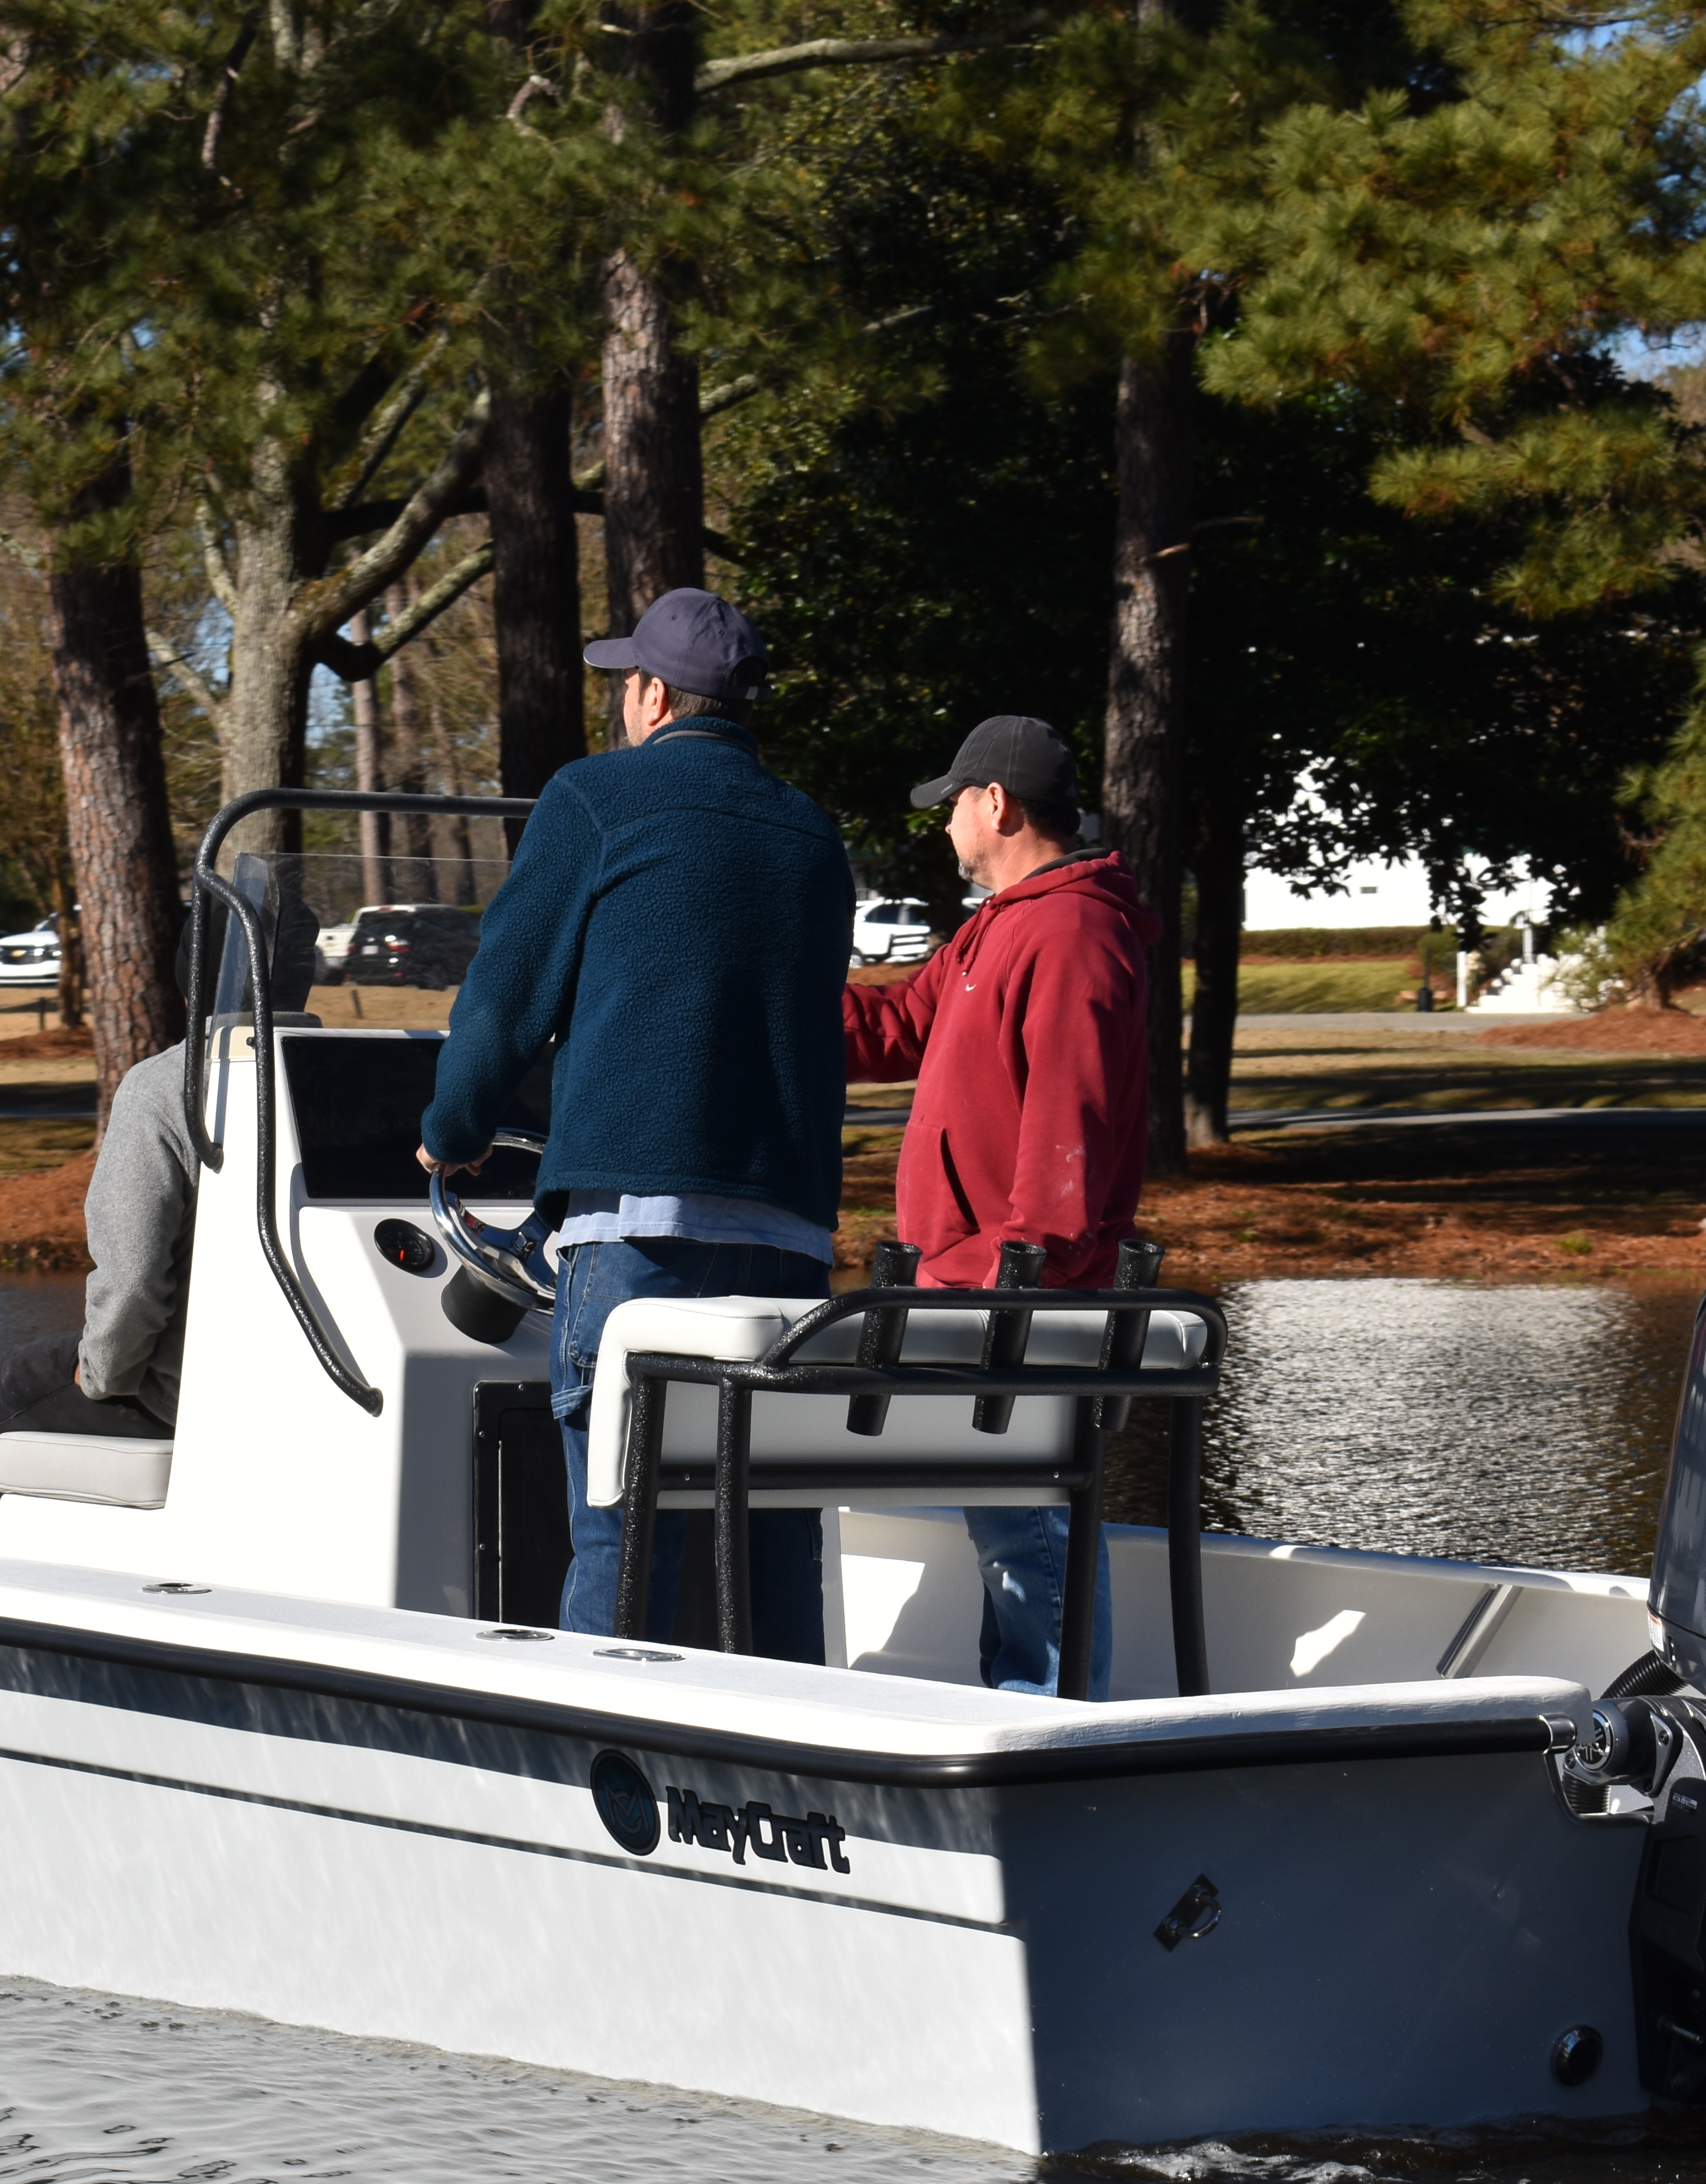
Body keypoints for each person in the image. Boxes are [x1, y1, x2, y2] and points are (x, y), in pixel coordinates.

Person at [419, 587, 852, 1660]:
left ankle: (604, 1743)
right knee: (774, 1534)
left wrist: (453, 1130)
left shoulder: (596, 798)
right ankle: (796, 1733)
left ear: (654, 696)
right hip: (788, 1236)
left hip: (636, 1228)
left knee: (625, 1537)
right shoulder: (813, 833)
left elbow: (505, 1000)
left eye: (626, 684)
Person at [841, 714, 1158, 1693]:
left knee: (1032, 1528)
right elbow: (897, 1028)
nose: (944, 824)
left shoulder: (1071, 932)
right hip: (987, 1293)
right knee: (1014, 1526)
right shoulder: (999, 926)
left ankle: (1053, 1732)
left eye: (953, 804)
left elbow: (1070, 1140)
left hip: (1024, 1301)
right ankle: (1032, 1717)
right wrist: (765, 992)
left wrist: (998, 1276)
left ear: (996, 803)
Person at [0, 903, 316, 1552]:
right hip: (311, 1391)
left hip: (188, 1399)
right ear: (303, 976)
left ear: (189, 982)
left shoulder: (168, 1087)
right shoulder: (373, 1078)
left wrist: (103, 1375)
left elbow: (134, 1281)